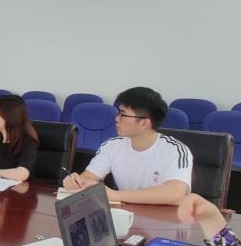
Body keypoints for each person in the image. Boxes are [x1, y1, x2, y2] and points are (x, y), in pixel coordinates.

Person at [64, 86, 192, 205]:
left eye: (122, 114)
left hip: (164, 218)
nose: (116, 119)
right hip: (127, 214)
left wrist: (116, 195)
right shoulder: (111, 146)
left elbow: (175, 193)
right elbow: (89, 177)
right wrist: (77, 182)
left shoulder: (175, 150)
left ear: (144, 123)